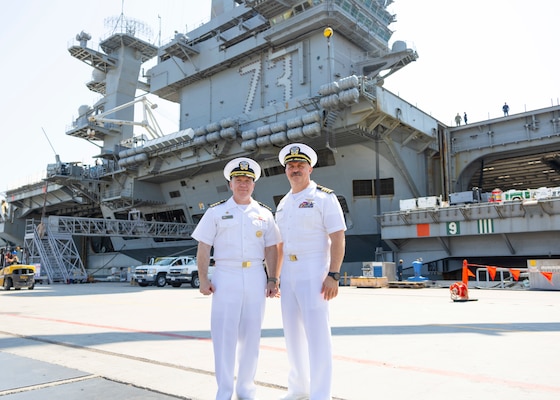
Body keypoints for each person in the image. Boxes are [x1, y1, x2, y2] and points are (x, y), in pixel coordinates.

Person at [192, 157, 281, 400]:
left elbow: (272, 248)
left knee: (252, 335)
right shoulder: (216, 212)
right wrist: (203, 279)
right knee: (224, 335)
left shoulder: (264, 213)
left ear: (254, 185)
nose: (243, 184)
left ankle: (245, 389)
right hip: (225, 275)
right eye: (238, 180)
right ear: (230, 184)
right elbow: (203, 246)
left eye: (248, 181)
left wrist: (273, 279)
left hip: (255, 275)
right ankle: (224, 391)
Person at [275, 143, 346, 400]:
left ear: (310, 168)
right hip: (289, 273)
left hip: (314, 269)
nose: (295, 169)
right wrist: (275, 277)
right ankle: (298, 390)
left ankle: (320, 394)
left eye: (300, 165)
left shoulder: (324, 198)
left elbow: (338, 237)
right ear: (286, 170)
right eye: (291, 166)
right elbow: (280, 244)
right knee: (292, 335)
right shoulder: (283, 203)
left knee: (317, 336)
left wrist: (333, 275)